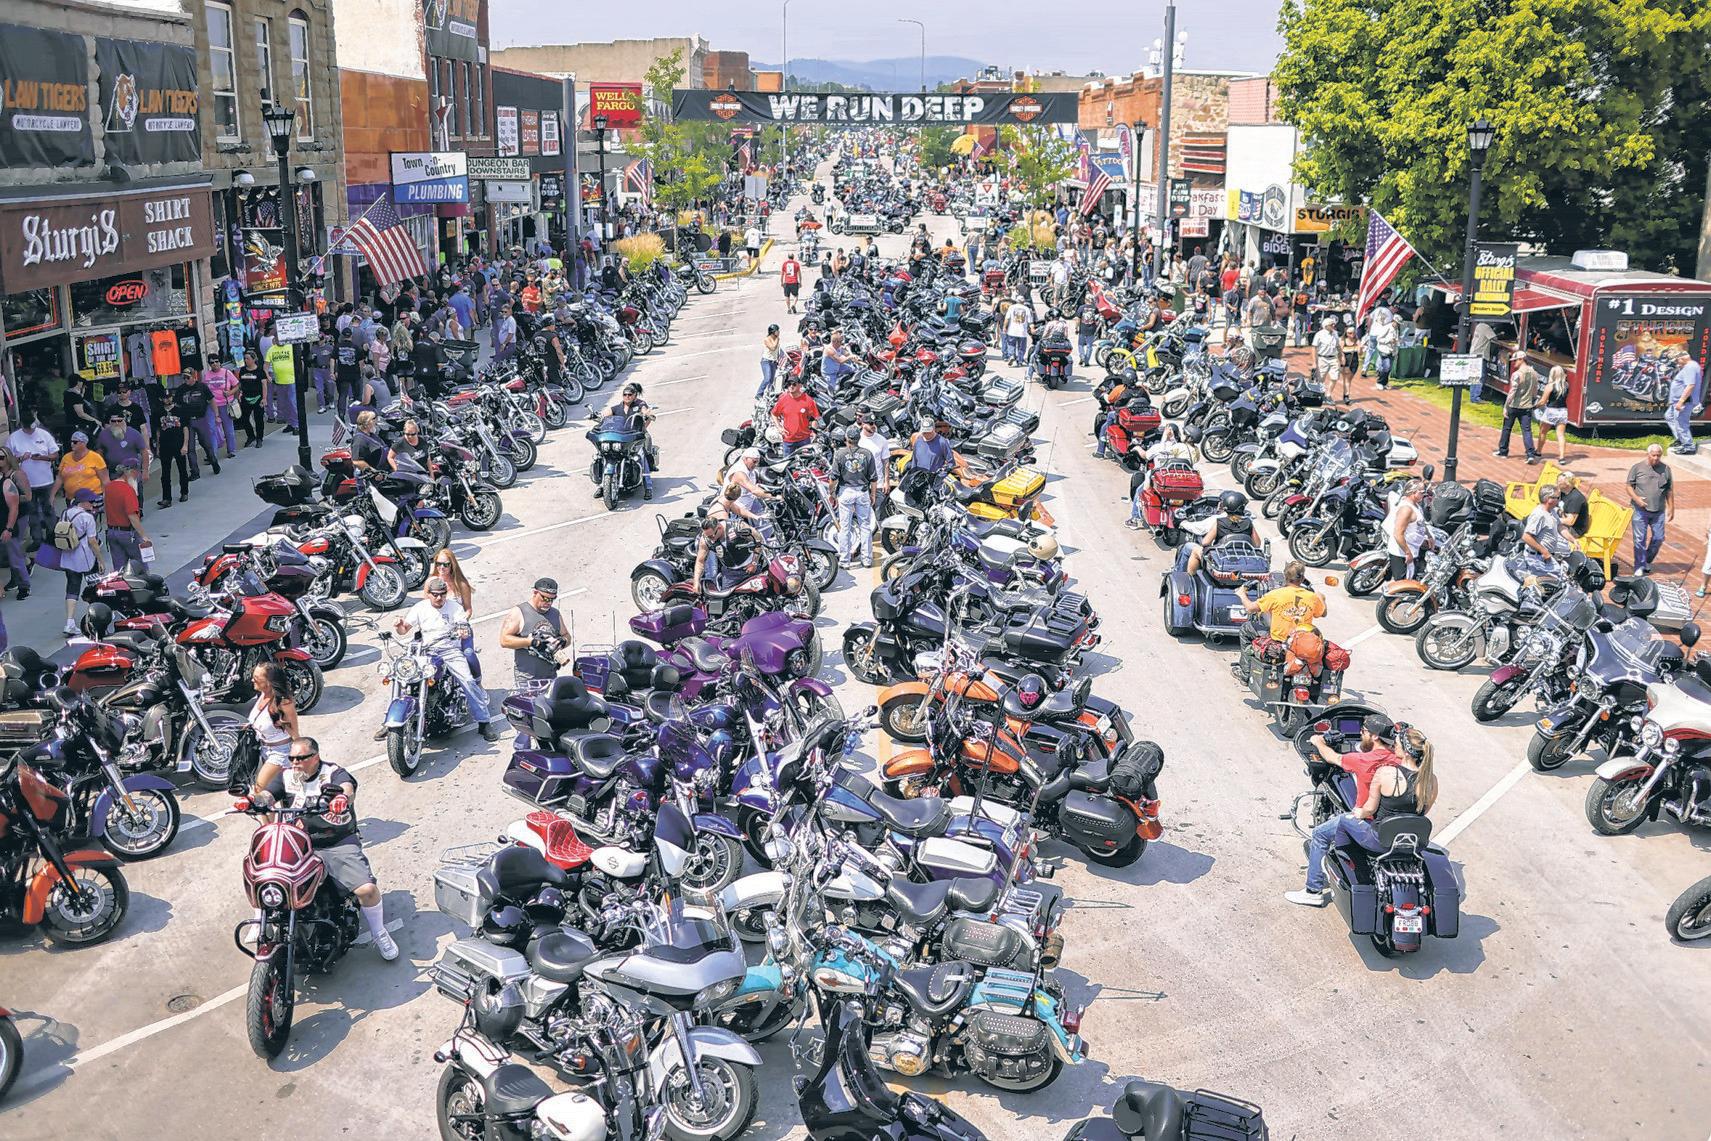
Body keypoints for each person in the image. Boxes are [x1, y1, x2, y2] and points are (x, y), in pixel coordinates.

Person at [249, 736, 398, 960]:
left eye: (300, 758)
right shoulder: (287, 776)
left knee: (366, 890)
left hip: (336, 842)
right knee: (266, 872)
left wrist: (341, 798)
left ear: (315, 757)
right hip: (298, 843)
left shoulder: (333, 773)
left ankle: (379, 932)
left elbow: (347, 788)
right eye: (291, 758)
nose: (295, 763)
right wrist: (254, 800)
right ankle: (261, 916)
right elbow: (268, 794)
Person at [1288, 719, 1437, 907]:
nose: (1361, 733)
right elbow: (1421, 812)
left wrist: (1319, 741)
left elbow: (1334, 758)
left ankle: (1314, 889)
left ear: (1374, 736)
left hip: (1379, 835)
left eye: (1364, 731)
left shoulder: (1378, 768)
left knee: (1324, 831)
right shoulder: (1430, 780)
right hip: (1414, 840)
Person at [392, 576, 499, 741]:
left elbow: (463, 624)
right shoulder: (420, 608)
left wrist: (462, 630)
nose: (439, 598)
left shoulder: (454, 607)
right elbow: (404, 630)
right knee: (401, 675)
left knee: (468, 681)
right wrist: (399, 625)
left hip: (450, 650)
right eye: (435, 594)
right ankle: (393, 723)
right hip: (425, 651)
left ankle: (484, 722)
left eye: (442, 594)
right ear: (428, 594)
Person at [497, 577, 573, 701]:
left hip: (550, 675)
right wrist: (531, 642)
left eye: (552, 599)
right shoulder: (519, 612)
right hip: (528, 678)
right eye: (545, 598)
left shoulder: (555, 614)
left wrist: (563, 641)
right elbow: (504, 640)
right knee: (531, 713)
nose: (548, 602)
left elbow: (567, 636)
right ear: (535, 593)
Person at [38, 487, 100, 635]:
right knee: (96, 588)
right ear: (83, 502)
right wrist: (101, 559)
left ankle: (69, 622)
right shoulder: (88, 517)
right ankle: (96, 618)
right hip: (86, 559)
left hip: (68, 558)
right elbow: (92, 541)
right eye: (90, 501)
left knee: (72, 589)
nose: (93, 504)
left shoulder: (66, 513)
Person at [1233, 558, 1327, 641]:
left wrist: (1242, 594)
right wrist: (1322, 598)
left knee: (1246, 628)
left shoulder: (1274, 594)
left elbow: (1250, 608)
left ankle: (1246, 660)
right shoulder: (1312, 597)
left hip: (1279, 642)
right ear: (1302, 578)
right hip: (1301, 644)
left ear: (1285, 577)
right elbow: (1323, 613)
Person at [1183, 491, 1261, 578]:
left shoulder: (1219, 522)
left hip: (1221, 559)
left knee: (1193, 550)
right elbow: (1257, 544)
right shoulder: (1248, 522)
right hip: (1244, 558)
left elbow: (1205, 542)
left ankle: (1189, 577)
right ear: (1242, 508)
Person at [832, 424, 879, 569]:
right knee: (865, 526)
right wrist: (873, 494)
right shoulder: (867, 454)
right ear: (858, 438)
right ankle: (866, 560)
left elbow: (833, 477)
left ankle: (844, 560)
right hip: (862, 491)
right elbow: (873, 478)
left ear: (846, 438)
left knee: (844, 527)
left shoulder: (839, 454)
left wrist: (831, 493)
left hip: (845, 491)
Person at [1626, 443, 1673, 576]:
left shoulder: (1666, 469)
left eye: (1658, 455)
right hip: (1640, 510)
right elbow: (1629, 486)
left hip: (1658, 510)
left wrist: (1671, 508)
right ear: (1648, 454)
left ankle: (1646, 560)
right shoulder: (1637, 468)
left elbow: (1669, 490)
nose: (1656, 458)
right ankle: (1639, 566)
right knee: (1639, 538)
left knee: (1659, 538)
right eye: (1654, 455)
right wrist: (1637, 499)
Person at [246, 662, 300, 776]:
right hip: (264, 751)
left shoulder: (284, 703)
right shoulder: (262, 695)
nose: (252, 680)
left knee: (260, 789)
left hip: (281, 754)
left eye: (256, 678)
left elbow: (295, 735)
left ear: (269, 682)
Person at [102, 459, 152, 574]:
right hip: (128, 534)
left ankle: (122, 590)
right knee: (141, 567)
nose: (137, 475)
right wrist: (143, 535)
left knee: (119, 570)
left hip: (111, 532)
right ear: (130, 472)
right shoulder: (128, 490)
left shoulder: (109, 487)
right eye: (136, 472)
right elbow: (132, 516)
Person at [0, 449, 32, 600]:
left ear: (8, 459)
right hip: (7, 517)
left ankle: (24, 586)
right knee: (11, 554)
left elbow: (28, 496)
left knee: (16, 553)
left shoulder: (17, 475)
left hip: (19, 517)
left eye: (1, 457)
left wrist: (13, 497)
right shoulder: (2, 477)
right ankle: (16, 580)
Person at [1495, 357, 1541, 462]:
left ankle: (1503, 451)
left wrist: (1506, 406)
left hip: (1514, 405)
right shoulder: (1534, 373)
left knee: (1507, 428)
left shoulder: (1517, 374)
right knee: (1527, 430)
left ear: (1521, 359)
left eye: (1515, 360)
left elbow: (1512, 392)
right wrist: (1532, 401)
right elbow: (1535, 390)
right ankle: (1530, 454)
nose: (1514, 363)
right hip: (1527, 406)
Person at [153, 387, 191, 508]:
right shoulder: (158, 412)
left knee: (182, 470)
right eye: (165, 398)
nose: (167, 399)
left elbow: (185, 428)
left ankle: (184, 492)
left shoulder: (180, 410)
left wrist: (185, 445)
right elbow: (158, 431)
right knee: (165, 473)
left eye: (169, 397)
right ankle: (166, 498)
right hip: (165, 445)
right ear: (161, 399)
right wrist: (158, 447)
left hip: (178, 443)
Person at [1383, 479, 1428, 579]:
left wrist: (1429, 536)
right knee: (1404, 584)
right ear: (1413, 493)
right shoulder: (1406, 510)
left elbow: (1421, 522)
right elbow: (1398, 534)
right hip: (1402, 554)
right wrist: (1407, 553)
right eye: (1422, 492)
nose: (1424, 494)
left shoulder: (1416, 505)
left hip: (1412, 550)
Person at [1522, 484, 1575, 563]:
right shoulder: (1539, 515)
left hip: (1545, 557)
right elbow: (1526, 537)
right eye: (1557, 498)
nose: (1559, 500)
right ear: (1548, 499)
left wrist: (1573, 540)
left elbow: (1560, 527)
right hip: (1536, 558)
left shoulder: (1552, 511)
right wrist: (1544, 551)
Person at [93, 411, 149, 486]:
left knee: (135, 495)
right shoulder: (103, 435)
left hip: (132, 471)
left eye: (119, 421)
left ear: (124, 421)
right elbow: (99, 453)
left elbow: (144, 451)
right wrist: (103, 473)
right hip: (113, 472)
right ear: (109, 422)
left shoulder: (134, 433)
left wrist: (145, 471)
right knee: (117, 495)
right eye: (113, 421)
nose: (116, 423)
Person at [1666, 346, 1703, 456]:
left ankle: (1688, 446)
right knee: (1669, 416)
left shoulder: (1690, 367)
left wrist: (1681, 401)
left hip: (1685, 401)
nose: (1677, 363)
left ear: (1683, 358)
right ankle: (1681, 440)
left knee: (1681, 423)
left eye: (1677, 360)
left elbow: (1690, 385)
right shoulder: (1690, 366)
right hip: (1678, 401)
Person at [771, 376, 820, 457]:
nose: (791, 386)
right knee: (787, 466)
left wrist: (814, 432)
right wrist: (779, 427)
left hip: (804, 440)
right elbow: (774, 414)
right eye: (789, 384)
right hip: (788, 440)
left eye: (794, 384)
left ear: (800, 385)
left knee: (806, 465)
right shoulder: (783, 399)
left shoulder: (808, 400)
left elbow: (815, 418)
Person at [205, 355, 242, 458]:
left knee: (228, 429)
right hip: (212, 406)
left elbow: (237, 385)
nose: (215, 364)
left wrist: (230, 392)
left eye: (216, 361)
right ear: (209, 364)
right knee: (211, 429)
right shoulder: (207, 375)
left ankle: (231, 450)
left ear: (220, 362)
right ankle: (213, 454)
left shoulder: (227, 372)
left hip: (225, 404)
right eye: (212, 362)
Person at [1533, 365, 1569, 462]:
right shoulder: (1566, 385)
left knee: (1543, 431)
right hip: (1563, 411)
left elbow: (1543, 401)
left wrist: (1534, 407)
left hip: (1551, 411)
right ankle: (1562, 457)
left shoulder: (1550, 386)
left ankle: (1538, 451)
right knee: (1561, 435)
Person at [264, 338, 299, 434]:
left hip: (291, 380)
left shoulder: (290, 347)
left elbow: (298, 361)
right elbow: (266, 365)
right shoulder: (271, 350)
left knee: (292, 403)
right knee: (283, 404)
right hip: (279, 381)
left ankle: (296, 425)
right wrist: (267, 375)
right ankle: (290, 424)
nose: (279, 341)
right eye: (277, 339)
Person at [237, 348, 268, 447]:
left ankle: (259, 438)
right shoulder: (242, 370)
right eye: (245, 358)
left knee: (258, 419)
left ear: (254, 360)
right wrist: (239, 393)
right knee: (244, 418)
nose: (246, 360)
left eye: (248, 358)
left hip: (257, 397)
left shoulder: (259, 371)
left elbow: (264, 385)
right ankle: (250, 436)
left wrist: (264, 398)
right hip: (246, 397)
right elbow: (240, 383)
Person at [1313, 317, 1345, 402]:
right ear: (1326, 326)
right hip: (1322, 358)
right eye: (1332, 324)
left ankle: (1328, 394)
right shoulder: (1319, 334)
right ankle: (1320, 394)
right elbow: (1314, 348)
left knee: (1334, 377)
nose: (1334, 325)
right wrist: (1314, 362)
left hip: (1333, 358)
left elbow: (1337, 346)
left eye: (1334, 324)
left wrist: (1341, 357)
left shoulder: (1335, 334)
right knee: (1320, 378)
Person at [1555, 470, 1589, 541]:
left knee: (1546, 528)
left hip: (1574, 530)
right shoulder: (1563, 492)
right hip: (1562, 520)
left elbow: (1570, 522)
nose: (1556, 483)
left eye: (1559, 482)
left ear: (1567, 484)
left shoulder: (1575, 498)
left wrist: (1552, 519)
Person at [1002, 292, 1033, 367]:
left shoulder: (1011, 307)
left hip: (1012, 331)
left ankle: (1011, 355)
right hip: (1022, 332)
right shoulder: (1027, 309)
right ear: (1023, 301)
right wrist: (1032, 329)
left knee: (1011, 344)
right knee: (1021, 347)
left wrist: (1004, 327)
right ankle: (1020, 360)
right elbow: (1030, 322)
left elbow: (1007, 318)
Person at [757, 324, 784, 400]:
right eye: (777, 331)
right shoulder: (767, 339)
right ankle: (759, 393)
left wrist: (778, 359)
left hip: (773, 362)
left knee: (771, 380)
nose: (778, 332)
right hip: (766, 361)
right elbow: (773, 348)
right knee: (767, 378)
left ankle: (770, 393)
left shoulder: (776, 339)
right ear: (772, 332)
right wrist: (777, 339)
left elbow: (777, 351)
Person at [1076, 302, 1098, 369]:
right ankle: (1086, 361)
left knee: (1080, 344)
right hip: (1091, 329)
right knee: (1089, 346)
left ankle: (1082, 356)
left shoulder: (1081, 307)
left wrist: (1076, 327)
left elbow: (1078, 319)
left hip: (1083, 328)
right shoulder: (1095, 308)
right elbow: (1097, 319)